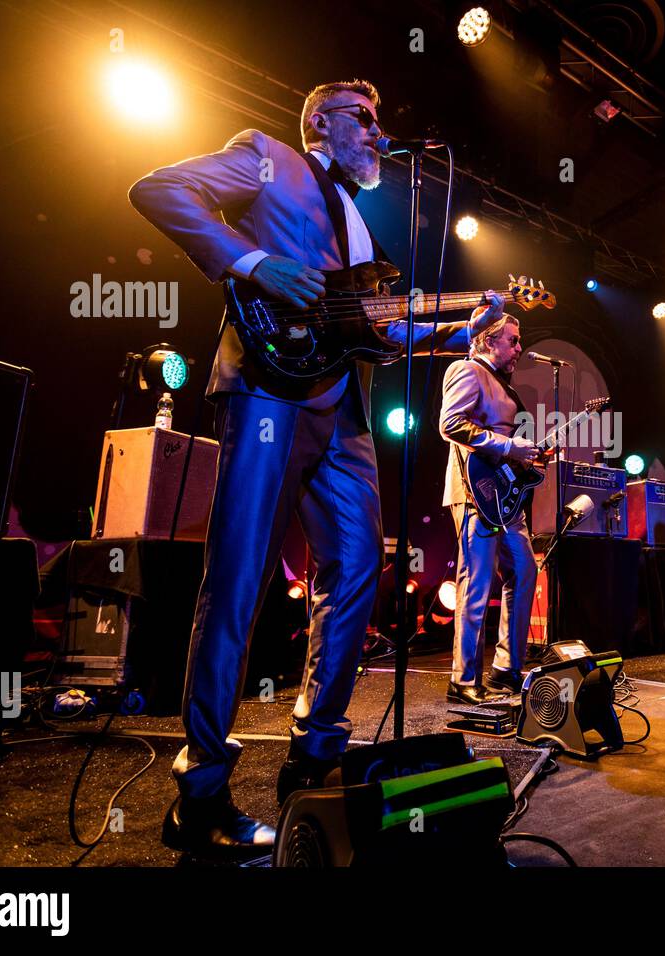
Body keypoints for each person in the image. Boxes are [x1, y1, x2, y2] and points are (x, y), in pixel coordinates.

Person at [129, 79, 505, 856]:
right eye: (363, 119)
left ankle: (316, 756)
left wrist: (459, 333)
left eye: (377, 119)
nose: (376, 132)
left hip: (344, 416)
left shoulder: (364, 234)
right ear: (320, 124)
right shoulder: (267, 158)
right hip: (269, 392)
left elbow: (373, 334)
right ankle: (199, 795)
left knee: (359, 571)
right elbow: (157, 188)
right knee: (239, 579)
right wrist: (255, 261)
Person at [438, 316, 540, 704]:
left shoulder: (500, 381)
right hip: (472, 493)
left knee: (525, 569)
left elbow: (502, 442)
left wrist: (524, 458)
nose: (518, 348)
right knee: (477, 584)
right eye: (513, 341)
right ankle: (463, 679)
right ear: (487, 340)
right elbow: (451, 424)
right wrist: (509, 447)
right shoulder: (465, 369)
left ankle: (506, 668)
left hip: (503, 496)